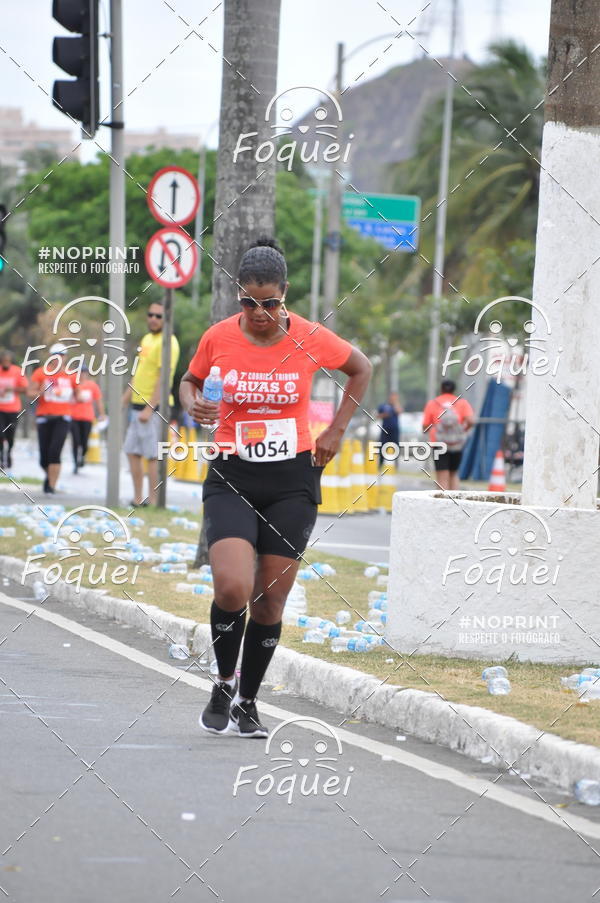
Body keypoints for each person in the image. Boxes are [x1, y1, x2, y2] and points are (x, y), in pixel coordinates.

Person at [180, 237, 371, 738]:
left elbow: (360, 368)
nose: (259, 312)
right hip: (232, 473)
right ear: (237, 296)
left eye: (270, 302)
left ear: (285, 295)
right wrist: (192, 402)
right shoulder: (219, 337)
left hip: (292, 479)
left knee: (268, 601)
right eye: (249, 302)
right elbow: (190, 380)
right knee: (233, 586)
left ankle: (248, 701)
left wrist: (335, 430)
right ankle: (223, 681)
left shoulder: (309, 337)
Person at [122, 301, 180, 506]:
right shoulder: (147, 339)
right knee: (132, 451)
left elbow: (163, 378)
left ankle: (154, 500)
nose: (153, 319)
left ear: (166, 319)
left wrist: (149, 407)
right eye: (151, 315)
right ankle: (139, 499)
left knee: (152, 456)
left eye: (158, 316)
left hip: (155, 408)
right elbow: (139, 373)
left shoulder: (168, 342)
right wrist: (125, 398)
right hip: (137, 406)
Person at [28, 343, 80, 494]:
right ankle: (49, 477)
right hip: (44, 416)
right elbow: (30, 392)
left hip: (63, 417)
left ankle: (51, 487)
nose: (59, 358)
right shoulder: (41, 372)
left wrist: (80, 397)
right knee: (44, 457)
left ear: (65, 358)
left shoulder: (71, 375)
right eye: (56, 355)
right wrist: (40, 392)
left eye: (62, 355)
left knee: (55, 451)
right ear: (51, 356)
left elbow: (78, 394)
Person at [422, 378, 474, 491]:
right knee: (454, 474)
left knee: (442, 476)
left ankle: (443, 503)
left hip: (439, 443)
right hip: (457, 443)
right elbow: (471, 421)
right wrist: (463, 430)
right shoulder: (462, 403)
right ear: (454, 390)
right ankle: (455, 502)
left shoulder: (433, 403)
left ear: (441, 389)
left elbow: (425, 425)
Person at [70, 366, 105, 474]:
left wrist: (102, 414)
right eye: (80, 372)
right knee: (75, 440)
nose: (82, 374)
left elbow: (98, 400)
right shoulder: (73, 384)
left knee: (84, 442)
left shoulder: (92, 386)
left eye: (84, 372)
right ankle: (75, 462)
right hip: (73, 417)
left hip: (87, 417)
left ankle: (83, 456)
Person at [0, 350, 28, 471]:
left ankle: (9, 452)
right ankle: (1, 458)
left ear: (11, 361)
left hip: (13, 409)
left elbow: (25, 388)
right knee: (1, 433)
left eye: (8, 360)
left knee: (10, 435)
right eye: (4, 360)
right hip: (0, 409)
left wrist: (13, 388)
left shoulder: (17, 371)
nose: (6, 362)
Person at [377, 391, 402, 466]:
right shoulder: (383, 406)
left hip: (394, 430)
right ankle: (380, 464)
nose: (393, 398)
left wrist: (396, 404)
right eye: (392, 396)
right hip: (385, 429)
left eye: (395, 397)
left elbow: (399, 411)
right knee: (383, 446)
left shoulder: (396, 405)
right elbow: (378, 415)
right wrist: (385, 415)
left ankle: (394, 465)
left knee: (395, 447)